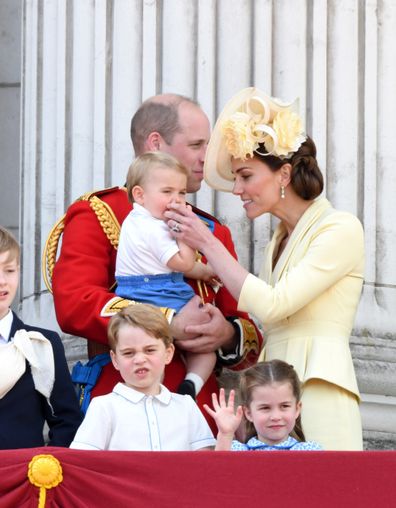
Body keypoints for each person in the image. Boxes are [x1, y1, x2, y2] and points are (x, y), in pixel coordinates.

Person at [165, 87, 365, 450]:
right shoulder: (277, 239)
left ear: (284, 174)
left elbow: (274, 304)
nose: (237, 189)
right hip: (268, 393)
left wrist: (206, 243)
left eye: (245, 175)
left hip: (319, 391)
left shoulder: (341, 228)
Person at [50, 94, 263, 429]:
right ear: (155, 143)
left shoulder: (212, 230)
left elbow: (248, 333)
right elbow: (75, 304)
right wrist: (165, 321)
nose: (207, 157)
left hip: (201, 413)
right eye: (196, 144)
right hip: (124, 407)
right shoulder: (99, 213)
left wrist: (226, 334)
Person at [116, 151, 218, 399]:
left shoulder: (137, 219)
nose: (177, 201)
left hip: (141, 289)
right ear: (140, 194)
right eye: (167, 192)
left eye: (182, 193)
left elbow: (169, 264)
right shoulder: (155, 228)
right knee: (205, 344)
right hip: (156, 292)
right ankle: (190, 386)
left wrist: (204, 272)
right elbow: (182, 262)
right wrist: (187, 236)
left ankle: (174, 389)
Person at [70, 304, 216, 450]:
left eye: (149, 350)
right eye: (128, 353)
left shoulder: (186, 406)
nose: (139, 360)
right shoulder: (103, 407)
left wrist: (226, 433)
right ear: (115, 360)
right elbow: (83, 462)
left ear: (168, 353)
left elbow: (204, 462)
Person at [0, 226, 82, 449]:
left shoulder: (42, 343)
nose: (2, 281)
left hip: (24, 478)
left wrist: (45, 466)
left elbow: (67, 421)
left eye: (9, 270)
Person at [205, 360, 322, 451]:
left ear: (297, 409)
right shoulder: (237, 451)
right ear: (249, 413)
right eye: (265, 408)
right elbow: (219, 472)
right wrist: (225, 434)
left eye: (284, 406)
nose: (275, 416)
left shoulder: (310, 451)